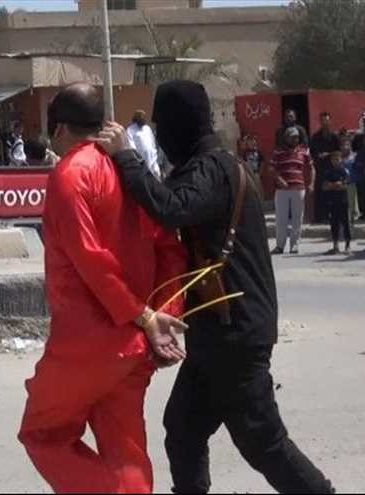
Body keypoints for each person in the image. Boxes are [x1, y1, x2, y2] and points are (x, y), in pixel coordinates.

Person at [95, 80, 334, 494]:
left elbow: (171, 207)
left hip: (235, 332)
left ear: (180, 124)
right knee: (183, 428)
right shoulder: (206, 168)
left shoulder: (213, 170)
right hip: (216, 332)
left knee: (263, 442)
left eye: (163, 126)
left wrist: (126, 158)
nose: (161, 137)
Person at [17, 83, 189, 494]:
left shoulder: (71, 174)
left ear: (59, 128)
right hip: (134, 344)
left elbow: (91, 259)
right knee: (125, 451)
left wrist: (144, 316)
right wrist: (163, 316)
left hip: (87, 342)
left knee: (42, 434)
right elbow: (169, 248)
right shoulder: (129, 168)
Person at [270, 127, 314, 255]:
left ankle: (294, 245)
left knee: (297, 219)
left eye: (297, 137)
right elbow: (271, 169)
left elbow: (312, 168)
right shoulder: (278, 152)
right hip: (282, 190)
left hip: (299, 189)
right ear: (287, 138)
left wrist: (311, 184)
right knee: (281, 219)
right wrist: (279, 179)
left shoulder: (304, 151)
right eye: (293, 137)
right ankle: (280, 246)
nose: (296, 139)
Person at [310, 112, 341, 223]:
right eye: (323, 120)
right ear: (320, 122)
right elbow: (312, 152)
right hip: (320, 168)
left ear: (330, 121)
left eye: (327, 120)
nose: (325, 123)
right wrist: (318, 156)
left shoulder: (334, 137)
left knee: (332, 193)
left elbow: (339, 151)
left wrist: (328, 154)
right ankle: (320, 217)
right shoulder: (315, 137)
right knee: (320, 193)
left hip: (332, 169)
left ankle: (333, 216)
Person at [324, 150, 352, 255]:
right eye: (333, 159)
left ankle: (347, 246)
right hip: (332, 201)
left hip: (343, 200)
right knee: (334, 223)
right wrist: (335, 185)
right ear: (331, 160)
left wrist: (336, 185)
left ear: (341, 159)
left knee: (346, 223)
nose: (335, 161)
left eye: (337, 159)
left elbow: (347, 185)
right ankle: (335, 246)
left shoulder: (344, 171)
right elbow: (325, 186)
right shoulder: (328, 172)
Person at [126, 110, 161, 180]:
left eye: (144, 118)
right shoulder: (130, 130)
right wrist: (139, 160)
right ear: (137, 119)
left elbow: (152, 143)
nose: (143, 119)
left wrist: (154, 158)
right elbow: (132, 147)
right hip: (141, 164)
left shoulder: (147, 128)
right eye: (141, 118)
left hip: (153, 162)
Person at [340, 137, 359, 223]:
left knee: (352, 204)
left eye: (347, 145)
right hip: (341, 185)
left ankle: (352, 220)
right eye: (343, 145)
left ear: (350, 146)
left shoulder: (355, 156)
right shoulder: (339, 157)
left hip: (352, 183)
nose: (345, 147)